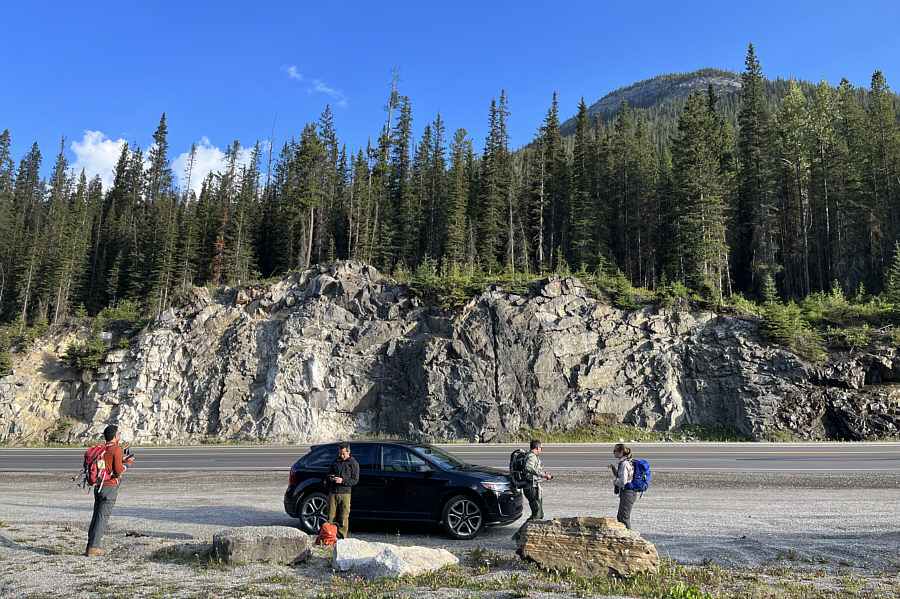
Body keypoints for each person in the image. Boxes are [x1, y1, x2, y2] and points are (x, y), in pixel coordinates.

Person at [85, 425, 134, 556]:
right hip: (109, 486)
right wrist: (128, 464)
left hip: (98, 486)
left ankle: (90, 545)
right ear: (114, 436)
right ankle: (94, 548)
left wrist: (121, 458)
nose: (120, 435)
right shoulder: (116, 449)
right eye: (119, 433)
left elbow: (110, 463)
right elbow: (118, 470)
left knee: (96, 516)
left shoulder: (104, 448)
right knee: (102, 517)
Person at [325, 441, 359, 539]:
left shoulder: (354, 464)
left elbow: (355, 480)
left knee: (344, 517)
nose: (342, 456)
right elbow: (328, 473)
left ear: (349, 452)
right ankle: (330, 536)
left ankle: (342, 537)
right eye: (340, 453)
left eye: (343, 454)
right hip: (333, 492)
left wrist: (342, 481)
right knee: (330, 516)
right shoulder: (335, 461)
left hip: (345, 493)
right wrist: (331, 478)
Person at [608, 442, 636, 529]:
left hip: (628, 492)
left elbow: (623, 481)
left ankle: (630, 537)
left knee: (624, 517)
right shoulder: (625, 462)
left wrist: (615, 483)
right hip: (626, 492)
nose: (613, 453)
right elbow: (619, 475)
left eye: (615, 451)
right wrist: (613, 468)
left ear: (621, 452)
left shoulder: (624, 464)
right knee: (621, 516)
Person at [523, 439, 553, 520]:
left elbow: (536, 469)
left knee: (540, 514)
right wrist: (543, 474)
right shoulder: (531, 456)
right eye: (541, 448)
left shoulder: (532, 456)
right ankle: (524, 531)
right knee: (536, 514)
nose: (541, 450)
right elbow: (528, 467)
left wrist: (545, 474)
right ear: (537, 447)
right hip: (531, 487)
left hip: (534, 486)